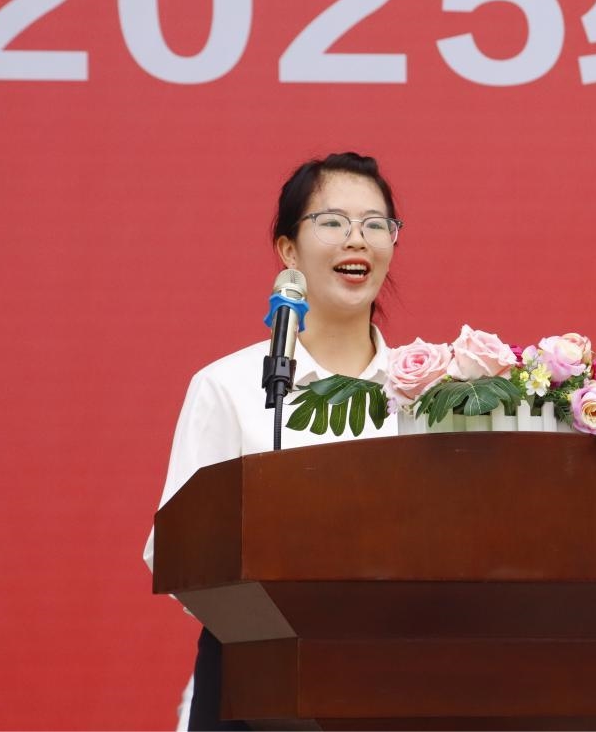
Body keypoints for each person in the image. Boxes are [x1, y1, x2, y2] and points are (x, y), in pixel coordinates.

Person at [142, 151, 404, 730]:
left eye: (375, 223)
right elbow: (176, 551)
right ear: (288, 250)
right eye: (332, 221)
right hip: (252, 681)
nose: (356, 238)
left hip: (393, 683)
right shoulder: (229, 386)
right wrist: (278, 633)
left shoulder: (428, 390)